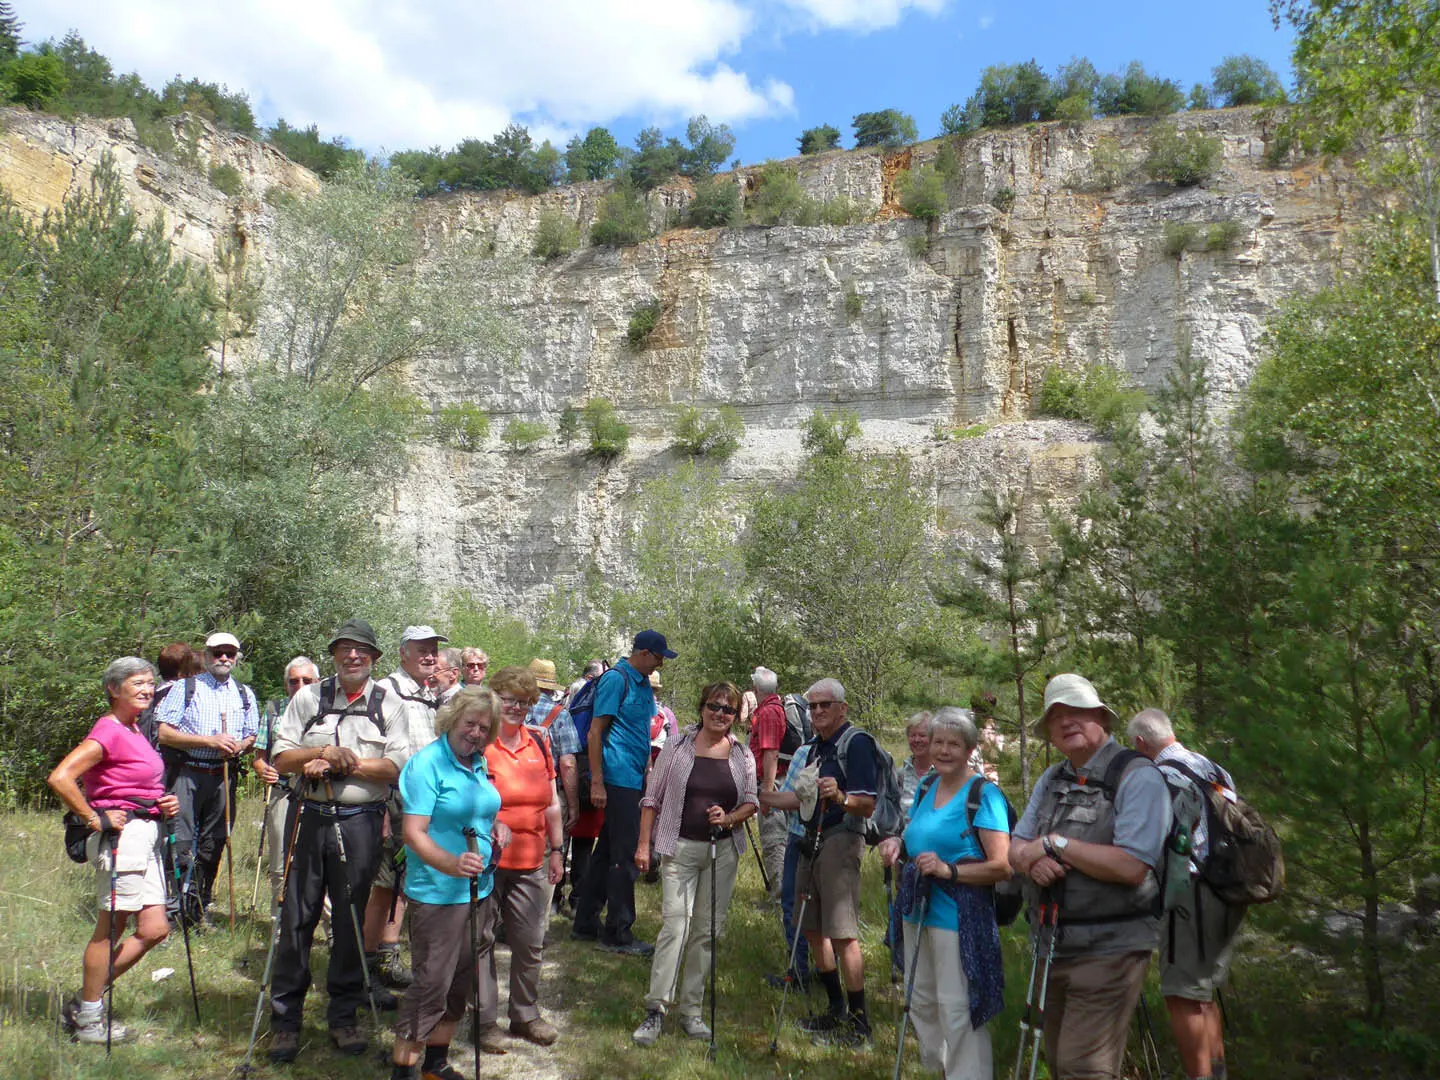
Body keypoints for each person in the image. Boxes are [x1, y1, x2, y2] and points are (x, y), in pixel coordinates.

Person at [1009, 674, 1172, 1080]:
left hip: (1110, 950)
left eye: (1077, 711)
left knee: (1084, 1068)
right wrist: (1032, 861)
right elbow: (1015, 847)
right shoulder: (1052, 779)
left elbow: (1133, 865)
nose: (1066, 721)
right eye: (1056, 716)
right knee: (1060, 1062)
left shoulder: (1138, 776)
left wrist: (1057, 845)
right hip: (1051, 948)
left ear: (1102, 718)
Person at [267, 618, 410, 1063]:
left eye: (361, 650)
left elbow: (396, 767)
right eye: (345, 649)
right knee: (296, 918)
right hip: (307, 818)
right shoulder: (309, 697)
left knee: (350, 921)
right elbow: (281, 756)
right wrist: (320, 752)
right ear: (333, 654)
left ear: (374, 659)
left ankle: (343, 1016)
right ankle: (284, 1022)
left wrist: (342, 765)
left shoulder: (391, 703)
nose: (353, 656)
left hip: (361, 821)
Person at [48, 657, 181, 1044]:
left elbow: (135, 786)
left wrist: (162, 803)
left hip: (146, 834)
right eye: (137, 683)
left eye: (149, 683)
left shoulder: (135, 730)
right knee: (111, 927)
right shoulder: (108, 730)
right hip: (123, 842)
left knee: (155, 929)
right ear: (113, 689)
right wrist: (93, 818)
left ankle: (83, 1002)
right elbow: (61, 777)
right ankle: (89, 1018)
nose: (146, 689)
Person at [879, 707, 1010, 1079]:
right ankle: (938, 1071)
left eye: (954, 743)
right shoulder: (926, 786)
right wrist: (896, 846)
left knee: (957, 1008)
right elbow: (916, 839)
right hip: (916, 909)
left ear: (970, 749)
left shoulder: (984, 795)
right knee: (919, 1002)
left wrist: (949, 870)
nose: (944, 750)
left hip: (958, 915)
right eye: (938, 742)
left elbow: (1002, 866)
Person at [390, 686, 508, 1080]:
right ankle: (403, 1071)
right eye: (469, 723)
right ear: (452, 720)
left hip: (479, 891)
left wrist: (497, 826)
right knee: (430, 985)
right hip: (438, 895)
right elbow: (415, 832)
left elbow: (480, 810)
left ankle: (435, 1065)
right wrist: (452, 864)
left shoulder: (478, 762)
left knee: (460, 982)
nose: (475, 733)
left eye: (483, 728)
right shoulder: (427, 765)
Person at [631, 681, 758, 1046]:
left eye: (728, 709)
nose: (720, 714)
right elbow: (651, 799)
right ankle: (656, 1010)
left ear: (736, 715)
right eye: (714, 707)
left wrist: (731, 818)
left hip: (722, 852)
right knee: (675, 927)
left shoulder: (742, 755)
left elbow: (751, 802)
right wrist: (644, 845)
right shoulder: (676, 746)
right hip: (679, 848)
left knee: (707, 933)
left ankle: (692, 1012)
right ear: (701, 708)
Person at [759, 677, 877, 1048]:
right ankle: (835, 1008)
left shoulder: (856, 743)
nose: (818, 711)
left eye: (825, 705)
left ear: (842, 708)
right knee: (810, 929)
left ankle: (860, 1025)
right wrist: (757, 797)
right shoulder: (814, 749)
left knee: (842, 933)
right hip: (810, 840)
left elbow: (867, 803)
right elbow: (798, 800)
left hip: (842, 839)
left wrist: (841, 796)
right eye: (812, 706)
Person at [1129, 708, 1242, 1080]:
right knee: (1204, 993)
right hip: (1228, 889)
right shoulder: (1213, 768)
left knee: (1182, 995)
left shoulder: (1161, 776)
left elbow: (1158, 837)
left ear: (1140, 743)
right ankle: (1216, 1072)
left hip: (1189, 891)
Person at [474, 666, 566, 1050]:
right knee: (480, 942)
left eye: (524, 701)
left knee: (530, 942)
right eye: (508, 699)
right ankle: (483, 1022)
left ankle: (525, 1016)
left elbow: (552, 803)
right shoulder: (478, 743)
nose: (515, 707)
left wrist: (558, 850)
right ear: (493, 699)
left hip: (531, 862)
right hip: (485, 862)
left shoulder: (538, 744)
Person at [572, 630, 674, 956]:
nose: (660, 663)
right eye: (658, 657)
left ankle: (586, 923)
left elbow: (641, 732)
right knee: (625, 856)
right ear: (643, 653)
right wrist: (598, 781)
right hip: (616, 778)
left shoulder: (642, 684)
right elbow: (595, 732)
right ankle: (618, 933)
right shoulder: (616, 680)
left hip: (633, 777)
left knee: (605, 854)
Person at [364, 625, 447, 997]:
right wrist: (381, 803)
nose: (430, 656)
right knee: (384, 883)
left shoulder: (431, 694)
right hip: (393, 798)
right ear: (403, 653)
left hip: (422, 803)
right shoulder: (386, 691)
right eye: (422, 650)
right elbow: (376, 749)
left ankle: (388, 955)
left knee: (403, 880)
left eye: (433, 650)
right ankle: (367, 967)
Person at [155, 631, 260, 922]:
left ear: (237, 658)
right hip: (188, 773)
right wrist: (209, 741)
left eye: (230, 653)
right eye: (217, 653)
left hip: (224, 776)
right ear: (207, 654)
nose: (224, 658)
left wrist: (241, 745)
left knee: (214, 843)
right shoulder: (186, 688)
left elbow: (252, 733)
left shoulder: (244, 694)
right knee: (181, 843)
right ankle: (173, 911)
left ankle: (197, 908)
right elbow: (163, 733)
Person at [255, 657, 321, 911]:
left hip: (318, 793)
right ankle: (279, 923)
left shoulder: (326, 710)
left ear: (317, 682)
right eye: (294, 681)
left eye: (307, 680)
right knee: (280, 862)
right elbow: (260, 758)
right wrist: (264, 770)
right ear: (286, 685)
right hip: (282, 793)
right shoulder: (273, 711)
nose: (300, 686)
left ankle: (331, 929)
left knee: (321, 862)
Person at [527, 659, 581, 916]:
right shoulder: (560, 714)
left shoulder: (512, 709)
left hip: (513, 789)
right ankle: (540, 915)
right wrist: (573, 805)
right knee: (551, 853)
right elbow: (568, 763)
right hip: (549, 792)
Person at [748, 667, 788, 901]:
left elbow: (771, 753)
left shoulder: (769, 713)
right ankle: (781, 893)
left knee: (774, 840)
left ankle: (780, 898)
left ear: (755, 689)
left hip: (772, 784)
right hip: (773, 783)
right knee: (777, 839)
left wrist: (767, 793)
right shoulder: (771, 709)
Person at [898, 710, 934, 819]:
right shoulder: (899, 775)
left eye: (922, 735)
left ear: (934, 738)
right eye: (912, 735)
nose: (917, 740)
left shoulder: (944, 775)